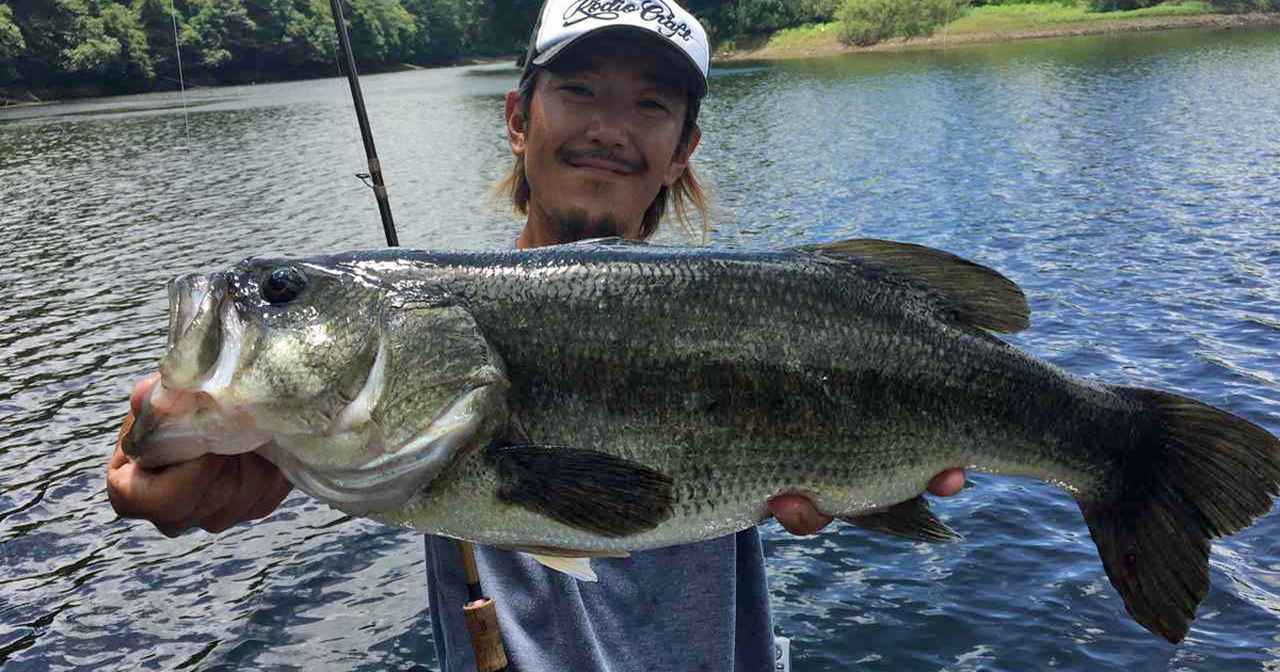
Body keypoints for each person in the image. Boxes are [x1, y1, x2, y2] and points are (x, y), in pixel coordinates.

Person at [106, 1, 966, 669]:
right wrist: (182, 458)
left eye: (650, 104)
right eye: (579, 90)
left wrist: (869, 479)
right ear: (519, 118)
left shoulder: (735, 312)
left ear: (682, 150)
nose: (607, 126)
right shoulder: (420, 339)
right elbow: (175, 456)